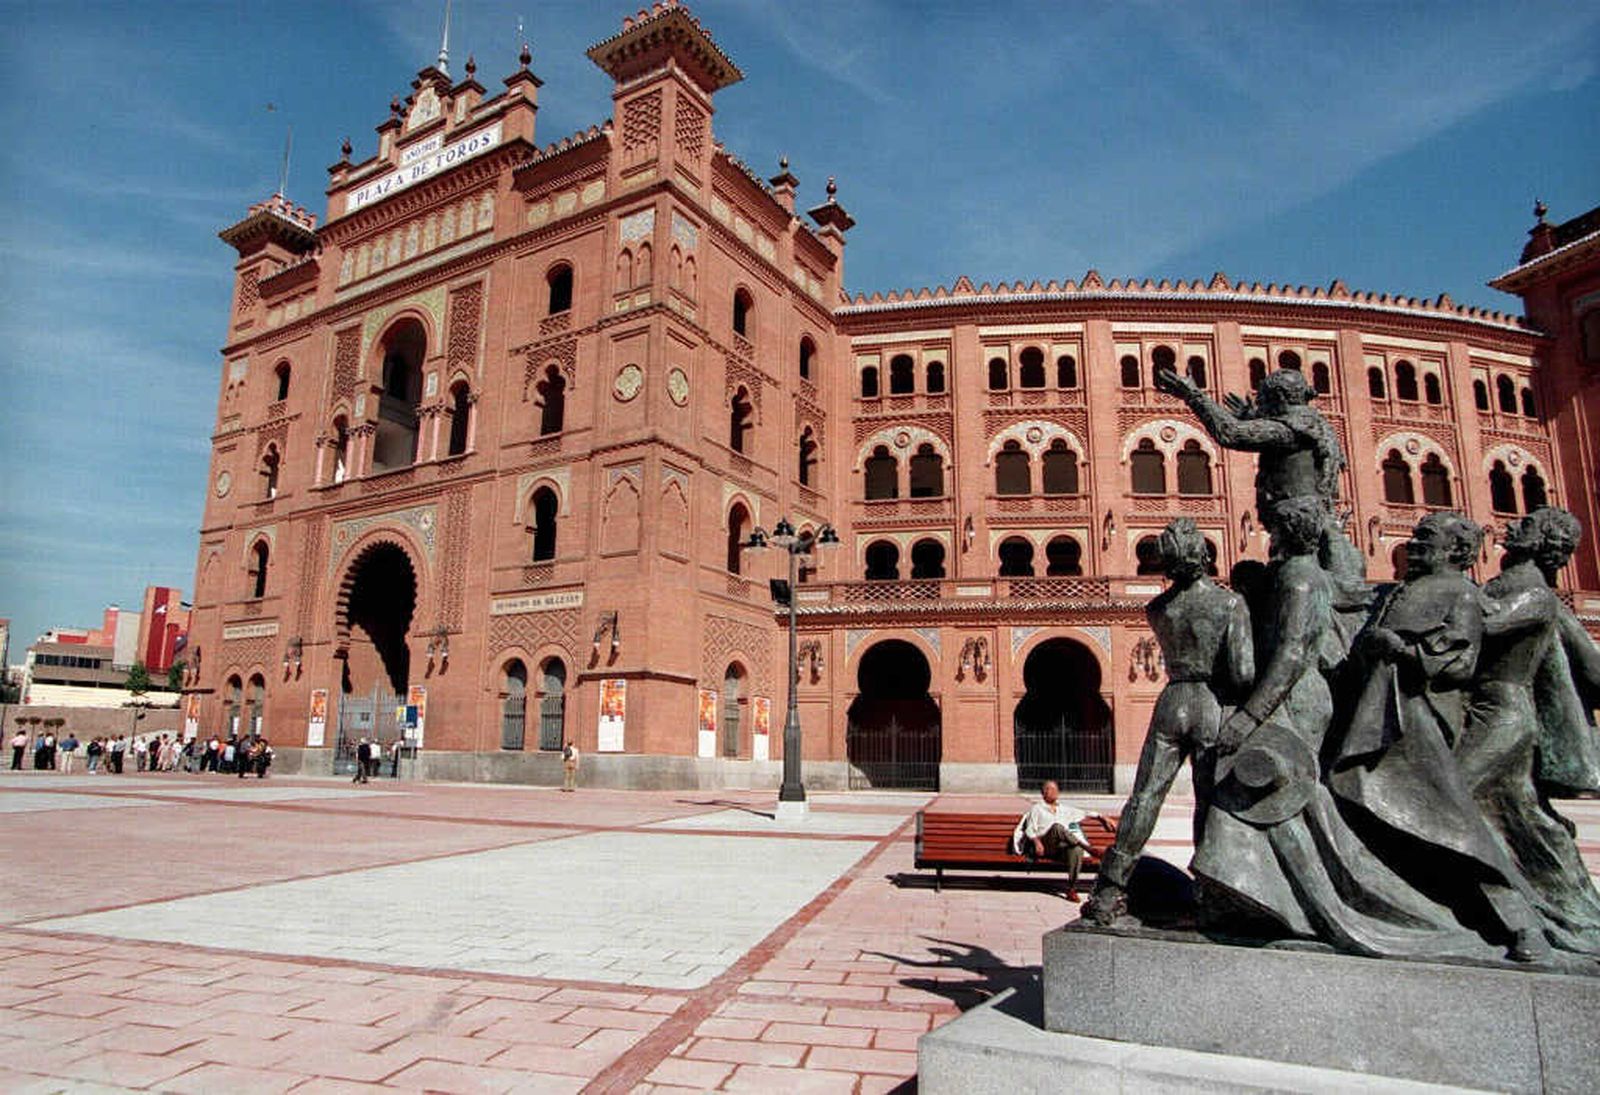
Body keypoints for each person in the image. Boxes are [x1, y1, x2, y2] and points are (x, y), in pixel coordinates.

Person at [1331, 512, 1550, 962]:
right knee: (1388, 814)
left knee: (1454, 823)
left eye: (1425, 538)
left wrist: (1403, 650)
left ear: (1454, 550)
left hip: (1420, 718)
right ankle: (1408, 905)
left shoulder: (1461, 593)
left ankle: (1525, 926)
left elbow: (1460, 663)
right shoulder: (1403, 590)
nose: (1413, 544)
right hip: (1381, 713)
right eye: (1413, 537)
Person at [1086, 519, 1254, 925]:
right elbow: (1244, 673)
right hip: (1211, 702)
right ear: (1205, 554)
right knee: (1208, 801)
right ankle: (1209, 892)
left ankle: (1109, 889)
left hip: (1172, 698)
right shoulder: (1229, 604)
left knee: (1144, 796)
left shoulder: (1158, 609)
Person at [1012, 780, 1095, 901]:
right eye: (1050, 789)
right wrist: (1036, 841)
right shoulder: (1037, 809)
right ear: (1043, 792)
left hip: (1060, 848)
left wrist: (1103, 818)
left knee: (1076, 849)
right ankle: (1088, 848)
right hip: (1044, 846)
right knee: (1057, 827)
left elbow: (1085, 813)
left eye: (1056, 789)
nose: (1054, 792)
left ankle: (1071, 889)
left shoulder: (1064, 809)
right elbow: (1029, 829)